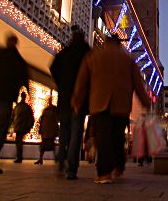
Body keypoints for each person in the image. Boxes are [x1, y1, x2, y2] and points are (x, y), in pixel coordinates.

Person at [72, 34, 151, 184]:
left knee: (103, 138)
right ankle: (119, 166)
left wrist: (77, 100)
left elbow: (81, 82)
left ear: (106, 43)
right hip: (121, 105)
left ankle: (104, 173)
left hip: (99, 103)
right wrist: (145, 102)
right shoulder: (128, 60)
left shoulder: (93, 56)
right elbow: (138, 85)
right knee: (117, 137)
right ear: (119, 44)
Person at [0, 34, 30, 174]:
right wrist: (26, 88)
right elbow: (24, 75)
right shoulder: (16, 59)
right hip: (5, 99)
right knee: (0, 133)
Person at [50, 26, 90, 179]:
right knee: (76, 134)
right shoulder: (87, 54)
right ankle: (72, 169)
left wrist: (61, 84)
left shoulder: (65, 53)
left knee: (64, 132)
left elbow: (53, 67)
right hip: (80, 100)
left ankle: (61, 162)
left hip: (64, 99)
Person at [34, 97, 58, 165]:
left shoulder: (54, 109)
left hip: (50, 130)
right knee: (43, 145)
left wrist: (55, 130)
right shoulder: (45, 110)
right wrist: (40, 129)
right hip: (45, 130)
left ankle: (55, 158)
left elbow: (55, 120)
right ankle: (40, 158)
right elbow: (42, 120)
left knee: (51, 145)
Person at [12, 91, 35, 163]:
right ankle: (19, 157)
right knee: (19, 142)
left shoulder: (19, 106)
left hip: (20, 126)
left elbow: (13, 116)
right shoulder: (25, 107)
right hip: (21, 126)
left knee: (18, 142)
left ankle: (19, 157)